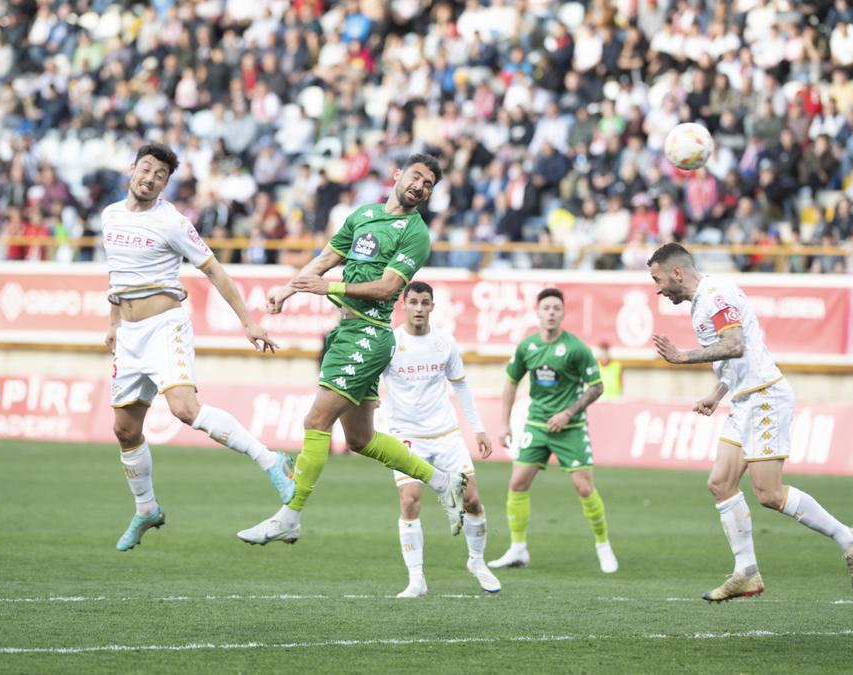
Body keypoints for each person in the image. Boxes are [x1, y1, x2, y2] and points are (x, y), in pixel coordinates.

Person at [237, 154, 467, 546]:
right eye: (416, 177)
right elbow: (326, 259)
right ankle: (442, 481)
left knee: (315, 422)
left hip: (369, 333)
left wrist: (332, 288)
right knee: (360, 440)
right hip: (346, 332)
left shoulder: (415, 233)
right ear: (398, 176)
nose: (420, 186)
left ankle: (290, 516)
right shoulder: (363, 215)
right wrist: (288, 289)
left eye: (428, 184)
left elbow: (387, 288)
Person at [646, 243, 853, 601]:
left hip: (765, 395)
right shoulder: (703, 301)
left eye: (657, 278)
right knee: (721, 483)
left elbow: (734, 344)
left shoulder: (716, 295)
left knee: (769, 493)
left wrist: (682, 356)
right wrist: (717, 393)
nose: (657, 288)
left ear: (677, 272)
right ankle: (746, 572)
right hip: (743, 399)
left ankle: (848, 537)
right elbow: (738, 355)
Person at [102, 143, 295, 552]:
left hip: (165, 326)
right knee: (125, 429)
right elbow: (116, 275)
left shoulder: (172, 222)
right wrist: (114, 323)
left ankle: (271, 460)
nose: (151, 178)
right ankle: (146, 509)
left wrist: (248, 321)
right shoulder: (110, 216)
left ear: (166, 184)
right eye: (147, 169)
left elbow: (215, 272)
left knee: (184, 409)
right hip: (131, 336)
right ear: (132, 169)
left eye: (160, 175)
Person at [489, 288, 619, 574]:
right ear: (537, 312)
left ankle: (603, 546)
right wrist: (504, 422)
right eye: (546, 307)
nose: (551, 312)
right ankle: (518, 549)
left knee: (584, 487)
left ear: (562, 313)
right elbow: (511, 382)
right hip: (537, 424)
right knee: (517, 484)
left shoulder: (576, 348)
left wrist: (568, 412)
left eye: (556, 308)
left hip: (570, 427)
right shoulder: (528, 347)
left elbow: (597, 387)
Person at [382, 281, 500, 597]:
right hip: (406, 436)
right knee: (409, 500)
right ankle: (416, 580)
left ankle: (476, 561)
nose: (419, 308)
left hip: (445, 434)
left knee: (472, 498)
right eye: (414, 302)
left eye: (425, 302)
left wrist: (477, 428)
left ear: (433, 306)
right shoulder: (389, 343)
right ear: (403, 305)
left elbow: (460, 385)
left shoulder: (445, 342)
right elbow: (370, 380)